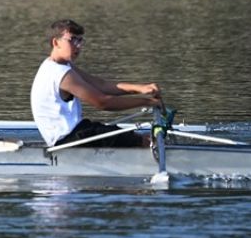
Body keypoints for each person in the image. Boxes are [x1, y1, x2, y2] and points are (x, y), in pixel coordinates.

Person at [30, 19, 163, 148]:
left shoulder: (59, 64)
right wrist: (147, 102)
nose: (78, 46)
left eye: (80, 40)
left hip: (76, 132)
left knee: (124, 134)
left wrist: (140, 88)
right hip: (67, 140)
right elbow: (102, 102)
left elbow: (100, 85)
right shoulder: (60, 73)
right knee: (140, 140)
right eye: (72, 40)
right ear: (56, 42)